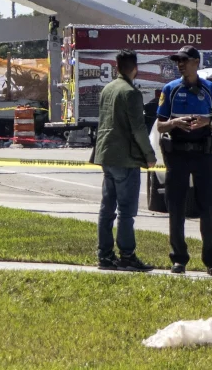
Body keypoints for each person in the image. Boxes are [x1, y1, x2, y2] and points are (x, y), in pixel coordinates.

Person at [155, 45, 212, 276]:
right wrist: (175, 123)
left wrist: (206, 122)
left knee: (208, 207)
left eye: (184, 60)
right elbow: (160, 124)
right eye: (178, 61)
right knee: (176, 207)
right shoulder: (170, 89)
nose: (180, 64)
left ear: (196, 62)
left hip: (203, 154)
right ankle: (179, 259)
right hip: (177, 154)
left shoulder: (211, 89)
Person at [92, 49, 157, 272]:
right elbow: (138, 129)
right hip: (125, 158)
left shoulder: (107, 90)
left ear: (116, 66)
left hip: (106, 155)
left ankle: (105, 256)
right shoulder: (131, 93)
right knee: (126, 211)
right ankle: (127, 256)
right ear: (135, 68)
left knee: (106, 209)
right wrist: (149, 155)